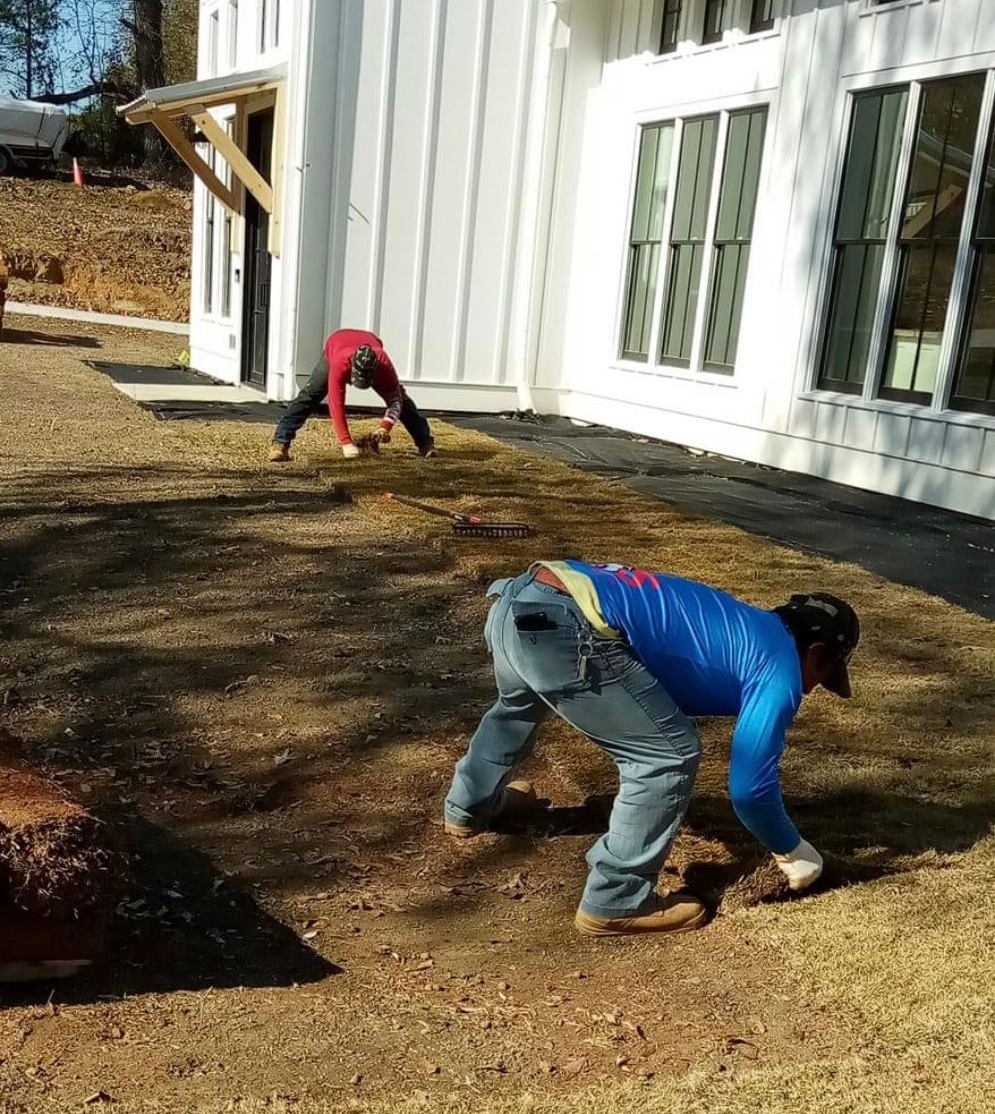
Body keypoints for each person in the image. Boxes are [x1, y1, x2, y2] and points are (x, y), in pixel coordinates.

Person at [444, 557, 859, 938]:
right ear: (818, 653)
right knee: (668, 755)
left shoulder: (743, 626)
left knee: (517, 707)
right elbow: (750, 788)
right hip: (565, 627)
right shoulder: (780, 667)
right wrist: (792, 850)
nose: (813, 688)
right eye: (823, 675)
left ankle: (469, 807)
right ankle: (615, 900)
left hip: (521, 599)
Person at [268, 329, 435, 462]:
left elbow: (395, 400)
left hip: (368, 343)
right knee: (310, 396)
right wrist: (346, 442)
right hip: (336, 344)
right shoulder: (340, 363)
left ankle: (425, 444)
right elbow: (336, 403)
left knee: (404, 400)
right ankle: (280, 444)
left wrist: (385, 426)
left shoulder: (384, 364)